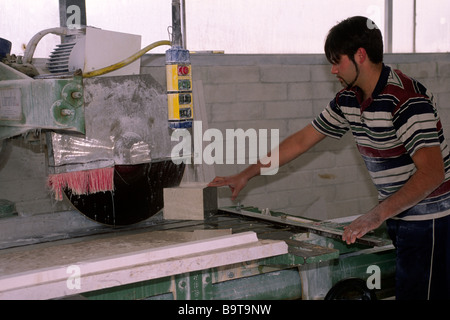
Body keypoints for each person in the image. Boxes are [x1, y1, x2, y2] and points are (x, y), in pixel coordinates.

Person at [208, 16, 450, 300]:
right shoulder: (349, 99)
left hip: (432, 220)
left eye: (338, 61)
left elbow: (432, 173)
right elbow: (301, 140)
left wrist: (376, 214)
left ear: (361, 55)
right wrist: (247, 173)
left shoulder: (406, 99)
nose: (333, 69)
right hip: (400, 216)